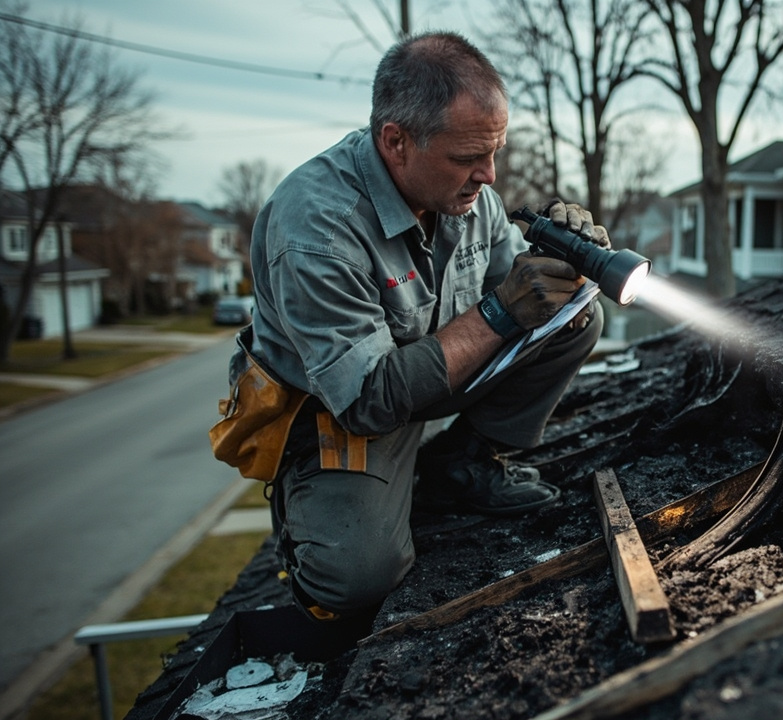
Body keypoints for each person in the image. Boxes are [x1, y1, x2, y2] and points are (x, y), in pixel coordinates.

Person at [224, 31, 606, 623]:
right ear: (395, 142)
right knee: (355, 580)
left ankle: (464, 464)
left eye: (494, 151)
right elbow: (368, 401)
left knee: (575, 314)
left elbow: (520, 289)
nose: (489, 175)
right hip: (340, 410)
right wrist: (502, 311)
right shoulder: (317, 230)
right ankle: (308, 514)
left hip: (429, 375)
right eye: (466, 158)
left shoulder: (468, 196)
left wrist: (568, 264)